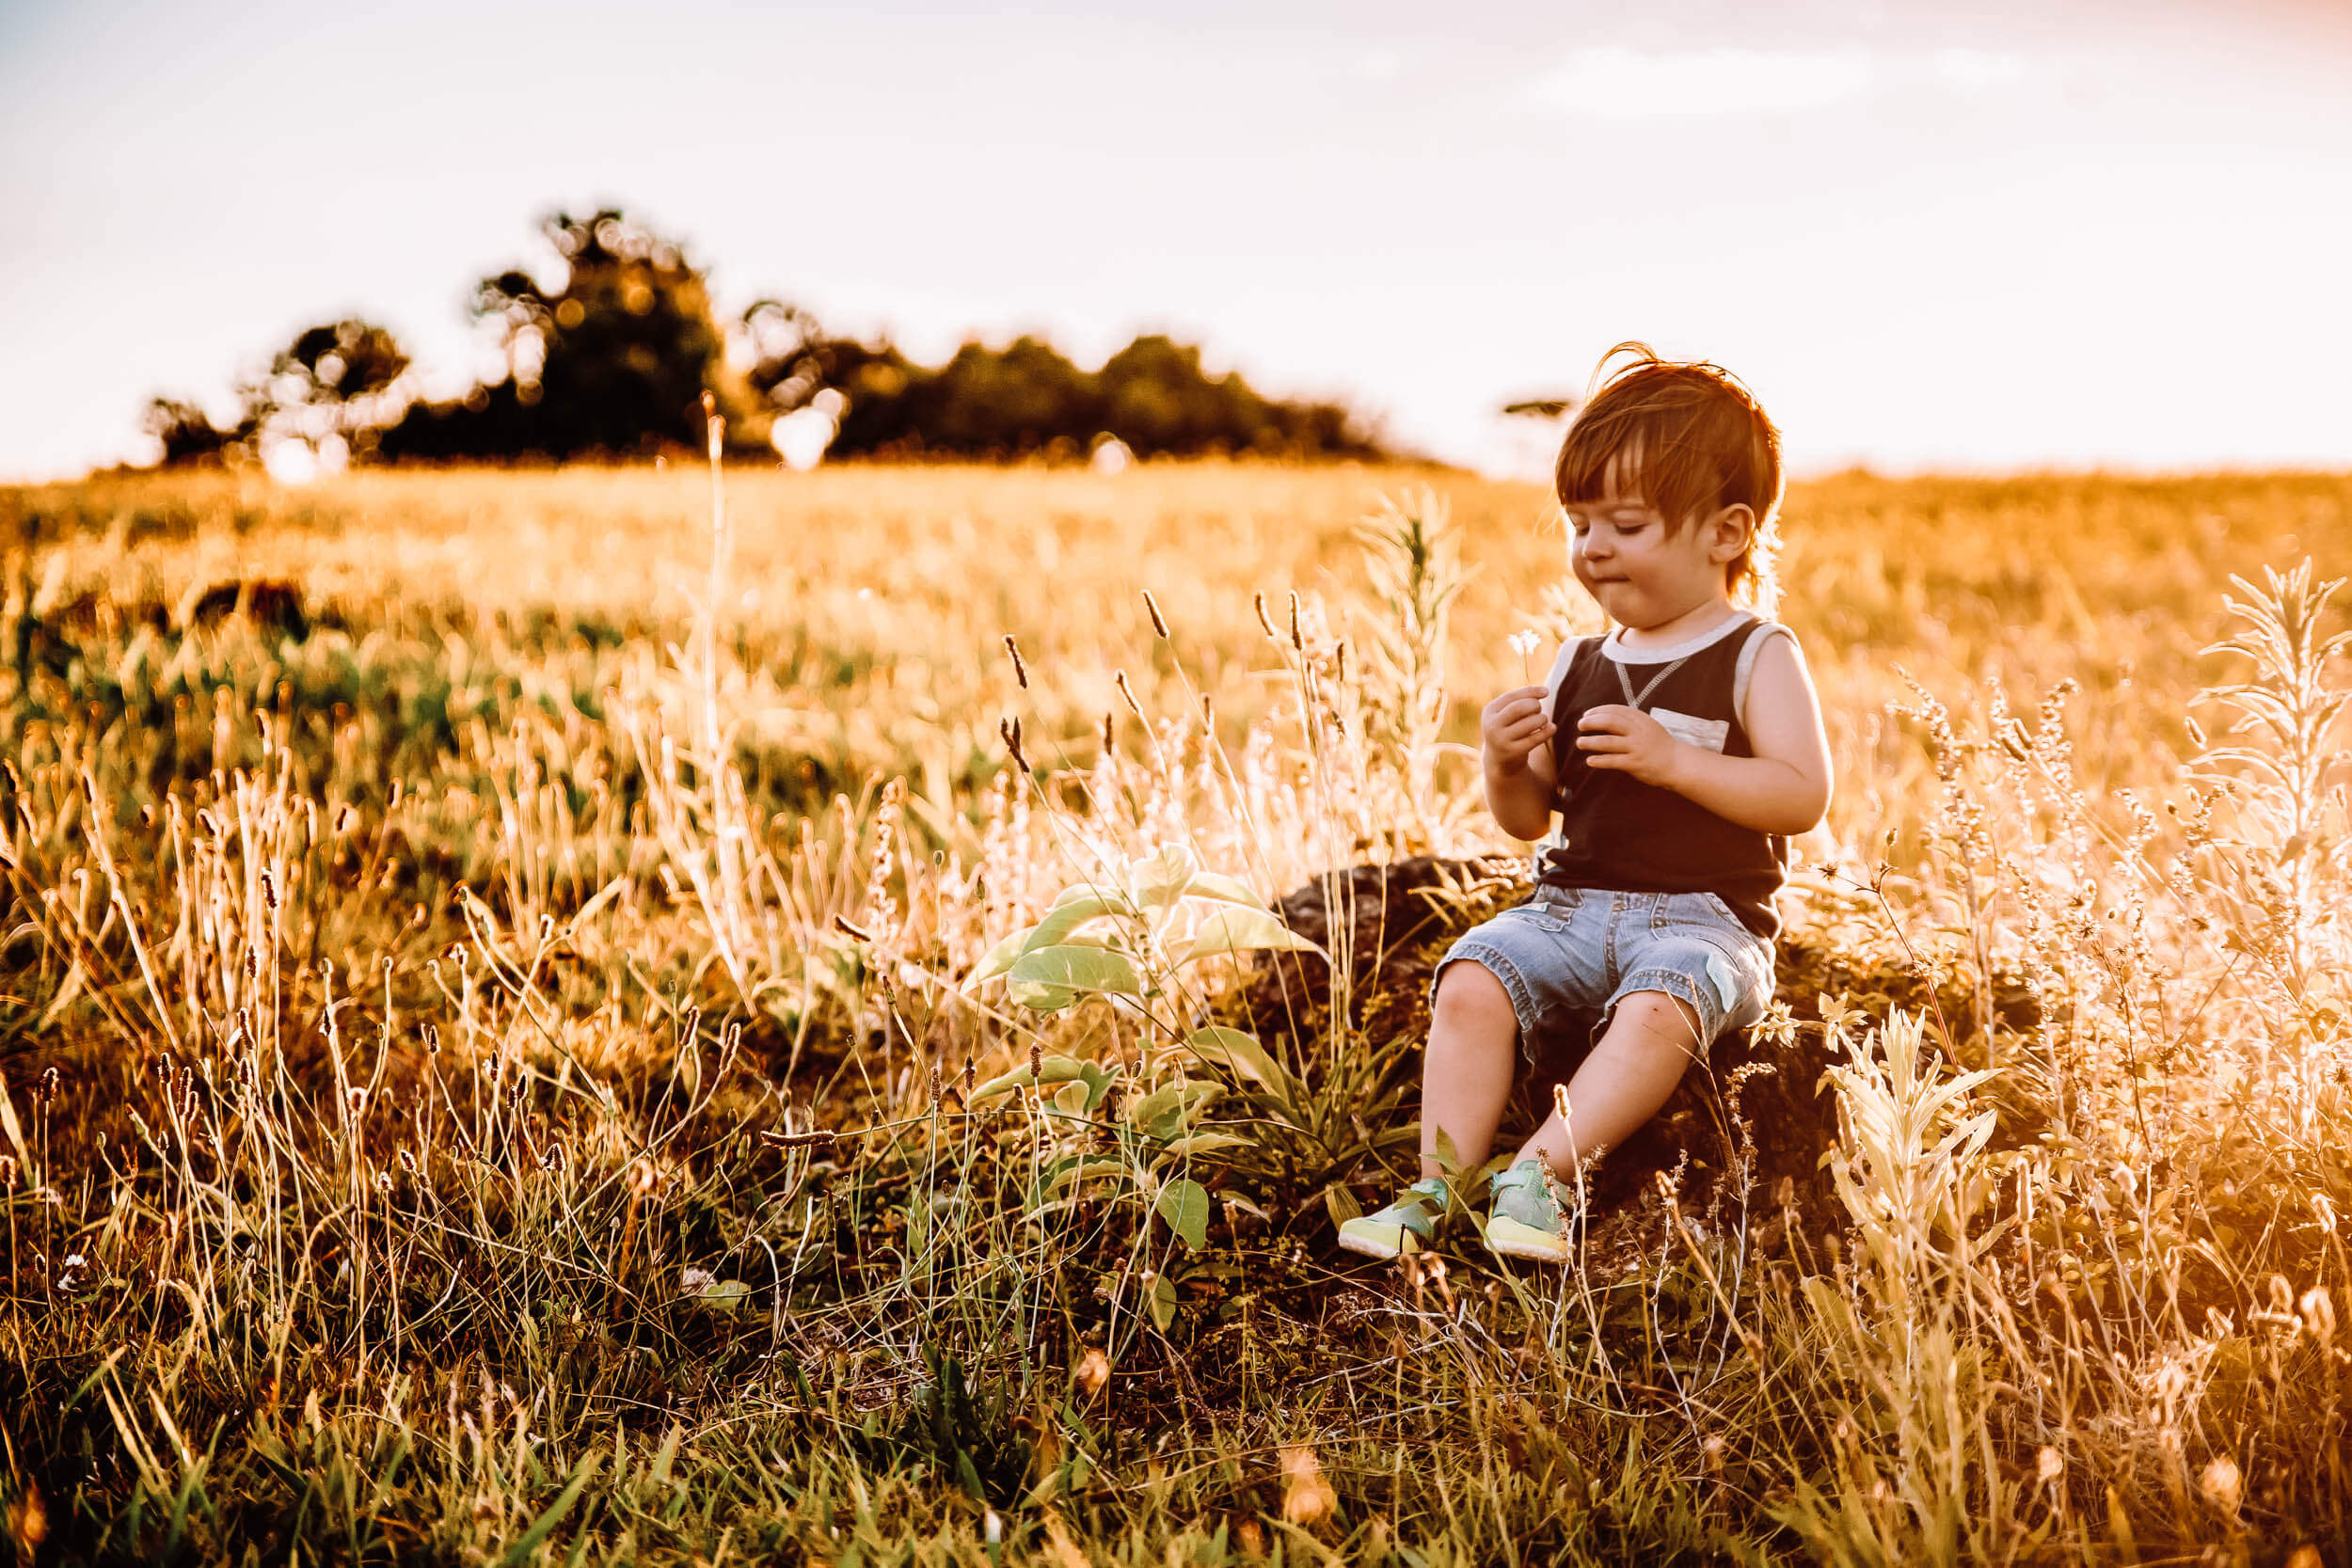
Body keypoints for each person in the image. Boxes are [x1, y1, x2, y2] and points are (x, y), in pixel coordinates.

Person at [1339, 343, 1832, 1262]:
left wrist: (1674, 764)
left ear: (1726, 533)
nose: (1593, 547)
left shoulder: (1755, 652)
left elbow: (1801, 793)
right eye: (1578, 522)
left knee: (1661, 1006)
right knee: (1475, 973)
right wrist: (1504, 759)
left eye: (1627, 524)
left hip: (1705, 921)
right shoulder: (1578, 661)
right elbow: (1529, 819)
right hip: (1568, 910)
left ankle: (1538, 1174)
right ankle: (1435, 1188)